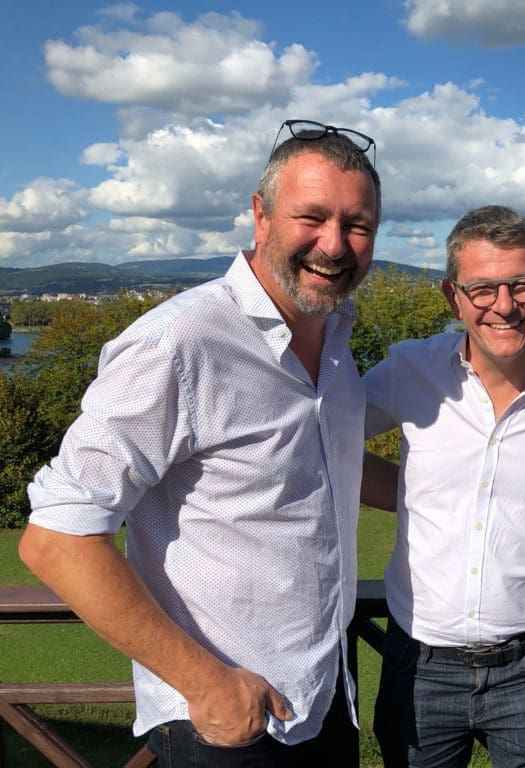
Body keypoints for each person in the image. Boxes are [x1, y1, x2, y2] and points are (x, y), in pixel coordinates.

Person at [19, 119, 381, 767]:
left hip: (323, 701)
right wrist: (207, 685)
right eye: (312, 217)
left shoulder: (333, 332)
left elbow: (328, 463)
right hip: (227, 726)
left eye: (357, 225)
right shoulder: (180, 343)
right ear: (261, 216)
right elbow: (57, 539)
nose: (336, 244)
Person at [362, 204, 525, 768]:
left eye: (521, 284)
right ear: (453, 296)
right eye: (482, 288)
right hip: (418, 662)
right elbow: (321, 440)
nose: (504, 305)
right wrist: (410, 495)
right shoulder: (410, 371)